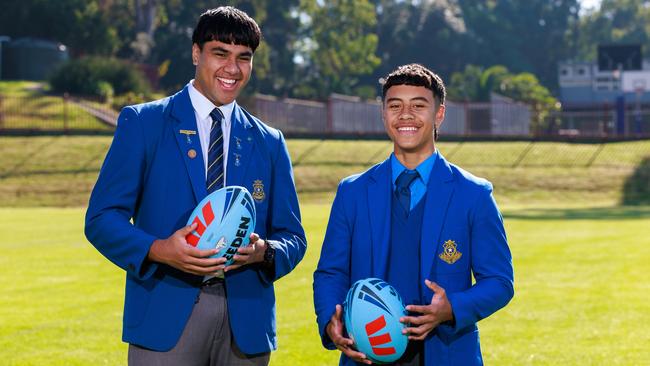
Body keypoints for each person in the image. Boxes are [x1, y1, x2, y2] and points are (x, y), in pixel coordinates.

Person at [85, 6, 306, 365]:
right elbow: (101, 218)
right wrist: (158, 249)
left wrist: (264, 252)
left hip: (246, 324)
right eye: (220, 53)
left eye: (243, 57)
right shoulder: (144, 123)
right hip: (165, 315)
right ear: (195, 53)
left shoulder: (269, 141)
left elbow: (293, 237)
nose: (232, 68)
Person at [313, 63, 514, 365]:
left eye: (418, 106)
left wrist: (452, 308)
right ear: (384, 114)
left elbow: (499, 281)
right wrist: (332, 319)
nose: (405, 115)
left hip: (447, 353)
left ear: (439, 114)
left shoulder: (474, 194)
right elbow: (331, 272)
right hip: (366, 353)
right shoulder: (352, 192)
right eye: (395, 106)